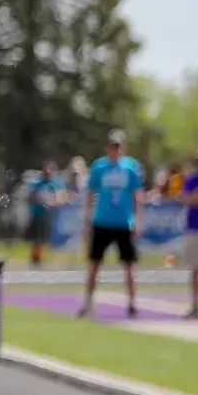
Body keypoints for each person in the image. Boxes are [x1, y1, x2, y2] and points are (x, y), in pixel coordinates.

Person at [80, 129, 145, 320]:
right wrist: (87, 219)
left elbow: (137, 194)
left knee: (130, 264)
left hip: (123, 222)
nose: (115, 150)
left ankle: (132, 303)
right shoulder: (99, 167)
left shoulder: (131, 167)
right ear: (107, 147)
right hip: (102, 221)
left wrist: (138, 219)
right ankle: (88, 303)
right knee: (94, 263)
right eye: (112, 146)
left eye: (118, 146)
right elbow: (91, 193)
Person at [26, 163, 65, 267]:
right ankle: (36, 259)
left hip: (49, 215)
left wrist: (52, 202)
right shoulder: (37, 183)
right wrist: (38, 198)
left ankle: (41, 258)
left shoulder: (56, 183)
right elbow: (29, 196)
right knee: (37, 239)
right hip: (37, 213)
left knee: (45, 239)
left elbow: (60, 198)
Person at [184, 149, 198, 320]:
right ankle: (195, 306)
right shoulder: (192, 180)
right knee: (195, 269)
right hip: (194, 228)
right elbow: (186, 199)